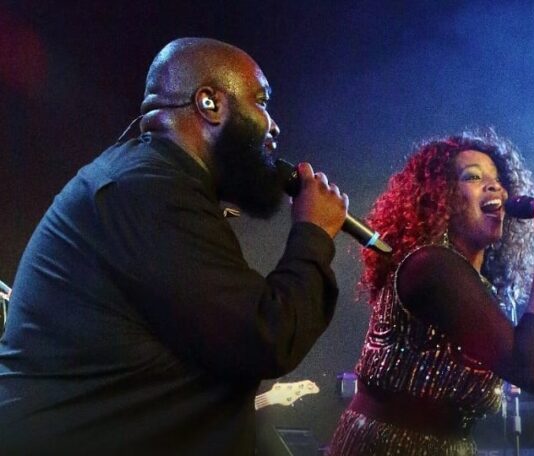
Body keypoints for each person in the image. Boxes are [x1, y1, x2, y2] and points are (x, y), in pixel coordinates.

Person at [0, 38, 348, 455]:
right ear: (209, 103)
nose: (273, 125)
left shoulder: (151, 179)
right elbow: (268, 336)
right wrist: (313, 232)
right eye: (261, 102)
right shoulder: (147, 192)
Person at [328, 129, 534, 455]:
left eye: (498, 179)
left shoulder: (472, 281)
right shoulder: (431, 265)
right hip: (387, 446)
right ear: (440, 197)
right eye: (473, 177)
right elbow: (528, 367)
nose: (495, 186)